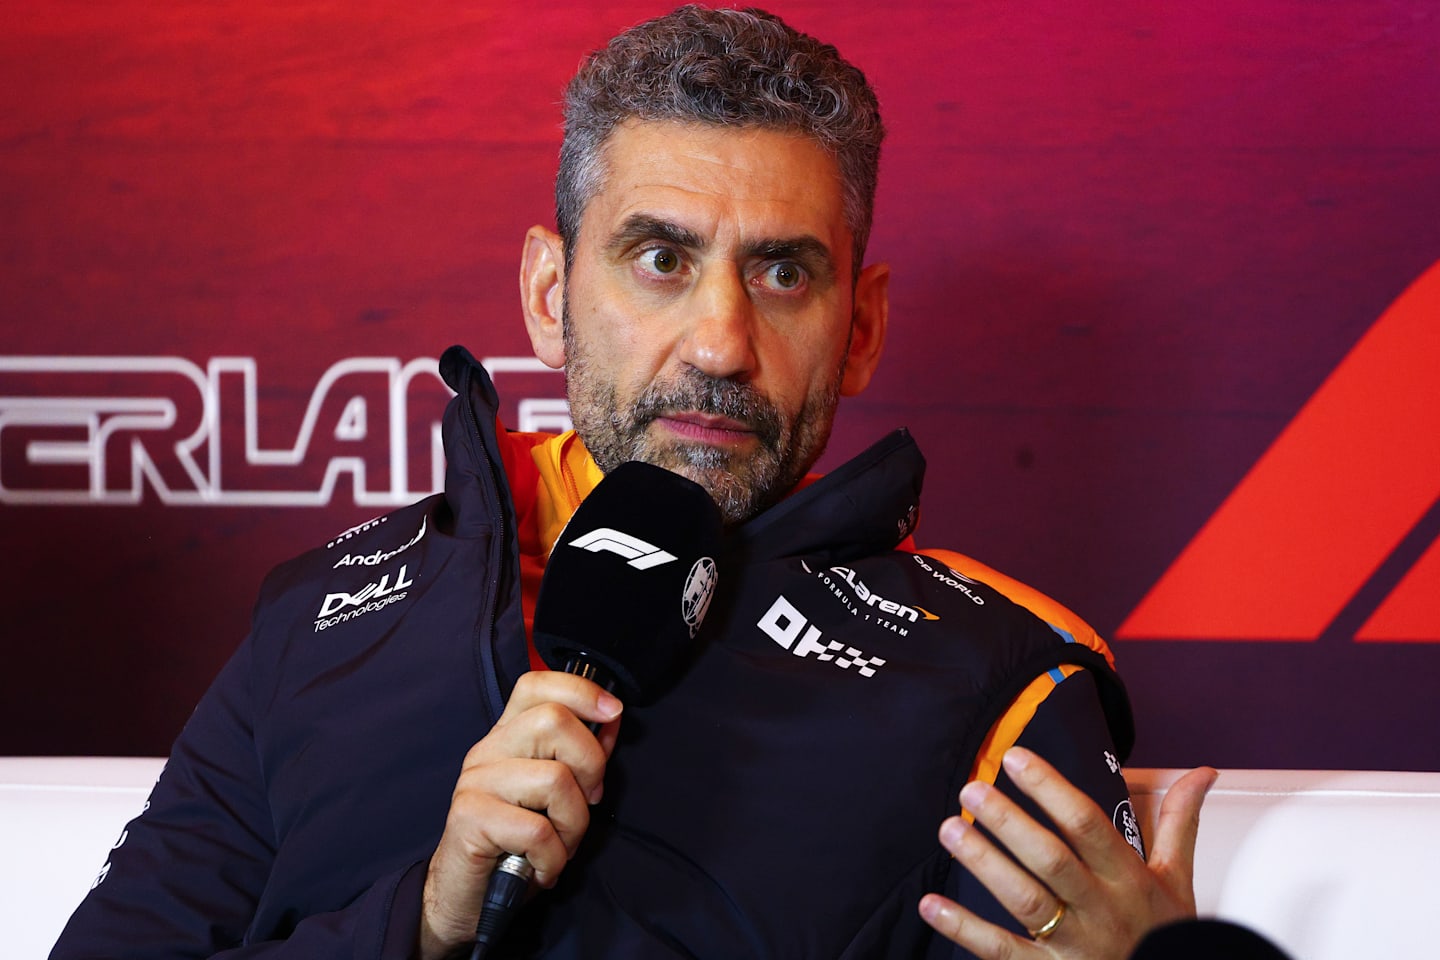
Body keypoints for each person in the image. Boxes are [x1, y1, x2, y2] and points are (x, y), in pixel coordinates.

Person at [51, 6, 1213, 959]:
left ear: (859, 327)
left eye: (783, 274)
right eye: (661, 260)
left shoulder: (991, 674)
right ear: (550, 294)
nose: (719, 340)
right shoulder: (316, 618)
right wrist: (425, 918)